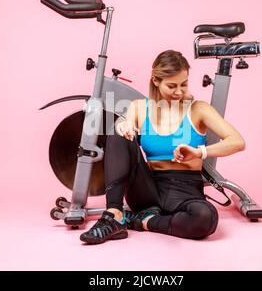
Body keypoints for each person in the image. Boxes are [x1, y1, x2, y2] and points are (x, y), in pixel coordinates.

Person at [80, 50, 246, 244]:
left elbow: (237, 141)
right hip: (147, 190)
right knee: (116, 132)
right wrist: (123, 125)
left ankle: (144, 222)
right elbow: (123, 126)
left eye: (183, 84)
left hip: (186, 191)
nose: (178, 91)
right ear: (156, 81)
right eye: (171, 86)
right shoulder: (140, 107)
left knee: (205, 217)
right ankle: (114, 215)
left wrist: (200, 152)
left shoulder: (198, 109)